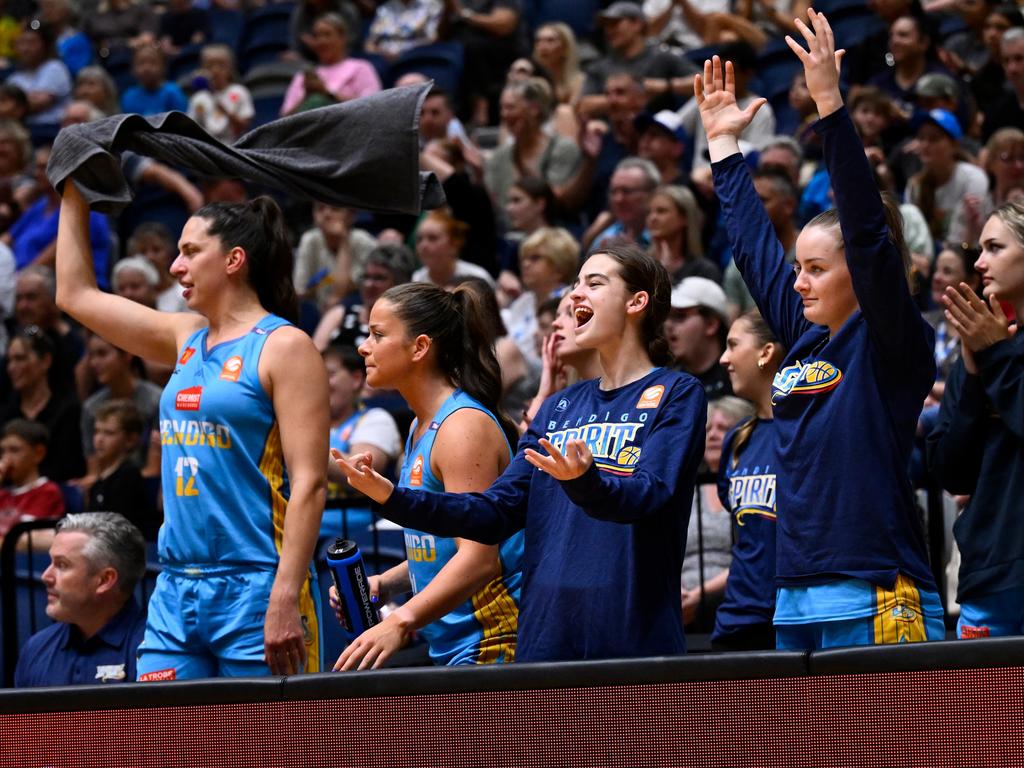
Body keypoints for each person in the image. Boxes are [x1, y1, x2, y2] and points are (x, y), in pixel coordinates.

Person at [697, 11, 943, 650]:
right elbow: (753, 250)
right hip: (793, 594)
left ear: (860, 275)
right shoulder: (803, 336)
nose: (798, 281)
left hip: (875, 587)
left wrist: (829, 103)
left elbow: (865, 231)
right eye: (797, 267)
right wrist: (724, 147)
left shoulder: (893, 340)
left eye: (815, 269)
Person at [334, 243, 708, 661]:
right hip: (545, 632)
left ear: (637, 301)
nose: (575, 295)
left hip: (630, 629)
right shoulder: (561, 406)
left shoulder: (678, 393)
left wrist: (585, 482)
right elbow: (492, 514)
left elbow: (650, 496)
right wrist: (394, 499)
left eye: (595, 284)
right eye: (575, 284)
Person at [55, 181, 329, 679]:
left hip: (257, 582)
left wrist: (286, 595)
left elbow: (309, 483)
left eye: (189, 252)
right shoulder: (184, 336)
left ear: (233, 260)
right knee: (167, 745)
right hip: (177, 584)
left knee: (274, 750)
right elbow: (74, 295)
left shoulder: (285, 346)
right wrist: (73, 190)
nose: (175, 267)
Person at [330, 281, 523, 670]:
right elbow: (440, 544)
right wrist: (388, 582)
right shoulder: (421, 424)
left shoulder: (462, 426)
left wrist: (401, 620)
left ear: (419, 347)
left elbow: (480, 560)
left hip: (495, 640)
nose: (363, 346)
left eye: (378, 334)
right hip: (456, 645)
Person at [927, 202, 1024, 638]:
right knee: (985, 710)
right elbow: (953, 472)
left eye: (995, 247)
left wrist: (995, 357)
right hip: (988, 576)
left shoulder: (994, 349)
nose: (979, 262)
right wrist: (970, 371)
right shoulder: (983, 345)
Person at [711, 312, 785, 651]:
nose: (724, 358)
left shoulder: (806, 431)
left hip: (791, 612)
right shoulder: (738, 439)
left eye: (733, 345)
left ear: (765, 353)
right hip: (739, 614)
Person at [14, 512, 147, 687]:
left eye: (62, 565)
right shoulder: (36, 648)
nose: (46, 576)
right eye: (50, 562)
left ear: (105, 580)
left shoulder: (153, 649)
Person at [681, 395, 752, 633]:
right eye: (708, 428)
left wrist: (701, 593)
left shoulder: (750, 489)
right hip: (680, 602)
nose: (712, 435)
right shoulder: (685, 490)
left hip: (732, 597)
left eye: (723, 428)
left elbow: (751, 554)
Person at [321, 342, 401, 539]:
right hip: (305, 532)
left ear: (356, 379)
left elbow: (361, 471)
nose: (320, 382)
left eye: (329, 374)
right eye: (315, 375)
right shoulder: (306, 425)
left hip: (357, 539)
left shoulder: (374, 419)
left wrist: (298, 447)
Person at [1, 329, 86, 482]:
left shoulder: (68, 411)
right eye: (10, 360)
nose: (12, 367)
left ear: (45, 361)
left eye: (20, 358)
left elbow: (70, 469)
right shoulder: (5, 413)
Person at [80, 332, 162, 472]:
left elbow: (153, 470)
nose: (94, 363)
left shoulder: (156, 401)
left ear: (127, 354)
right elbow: (94, 473)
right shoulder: (91, 407)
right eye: (91, 355)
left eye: (102, 354)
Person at [905, 109, 988, 244]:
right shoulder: (915, 185)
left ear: (954, 145)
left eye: (934, 139)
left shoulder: (973, 177)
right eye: (921, 138)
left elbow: (971, 236)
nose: (925, 145)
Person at [312, 243, 415, 352]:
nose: (369, 284)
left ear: (400, 283)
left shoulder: (408, 325)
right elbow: (315, 356)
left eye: (379, 278)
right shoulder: (340, 313)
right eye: (366, 277)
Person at [501, 226, 577, 368]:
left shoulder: (570, 301)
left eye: (535, 258)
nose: (525, 264)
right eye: (523, 259)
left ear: (559, 267)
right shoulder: (523, 301)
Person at [280, 13, 381, 116]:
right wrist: (307, 96)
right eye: (317, 36)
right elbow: (284, 119)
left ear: (343, 37)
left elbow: (372, 107)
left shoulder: (361, 67)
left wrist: (328, 94)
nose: (321, 41)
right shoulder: (304, 76)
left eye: (327, 34)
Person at [85, 399, 158, 541]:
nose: (99, 439)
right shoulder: (98, 483)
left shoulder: (129, 477)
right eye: (97, 431)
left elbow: (122, 532)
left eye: (109, 433)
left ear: (130, 440)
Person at [665, 277, 732, 400]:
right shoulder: (665, 381)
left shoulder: (737, 377)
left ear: (711, 324)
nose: (668, 325)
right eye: (667, 317)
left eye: (680, 316)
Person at [0, 419, 64, 538]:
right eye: (3, 451)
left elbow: (21, 538)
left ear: (38, 453)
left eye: (14, 450)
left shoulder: (47, 492)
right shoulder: (3, 493)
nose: (6, 458)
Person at [647, 184, 721, 283]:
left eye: (661, 211)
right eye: (649, 212)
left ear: (684, 217)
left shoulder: (704, 271)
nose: (652, 218)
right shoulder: (640, 266)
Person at [186, 45, 254, 144]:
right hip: (206, 148)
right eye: (209, 66)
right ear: (202, 69)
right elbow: (190, 129)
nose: (215, 70)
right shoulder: (198, 98)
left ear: (230, 68)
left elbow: (244, 126)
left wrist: (225, 110)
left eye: (221, 65)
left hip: (235, 146)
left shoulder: (239, 92)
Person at [412, 209, 495, 288]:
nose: (423, 245)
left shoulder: (477, 278)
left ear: (454, 243)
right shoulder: (417, 279)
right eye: (419, 239)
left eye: (433, 238)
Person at [120, 44, 187, 116]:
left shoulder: (172, 92)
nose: (147, 68)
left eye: (153, 62)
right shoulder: (129, 97)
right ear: (132, 69)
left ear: (163, 67)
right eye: (141, 63)